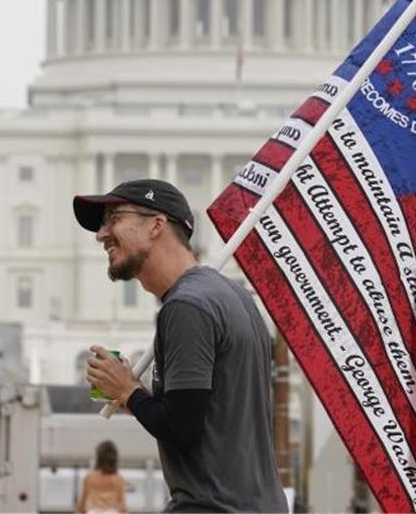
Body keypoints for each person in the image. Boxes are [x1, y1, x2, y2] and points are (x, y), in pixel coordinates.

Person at [75, 179, 288, 513]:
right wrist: (132, 394)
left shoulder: (186, 307)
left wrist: (130, 391)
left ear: (157, 224)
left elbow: (183, 428)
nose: (101, 235)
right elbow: (210, 416)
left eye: (113, 218)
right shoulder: (232, 297)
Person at [74, 440, 127, 514]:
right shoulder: (119, 479)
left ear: (98, 457)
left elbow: (80, 507)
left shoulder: (89, 478)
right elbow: (123, 508)